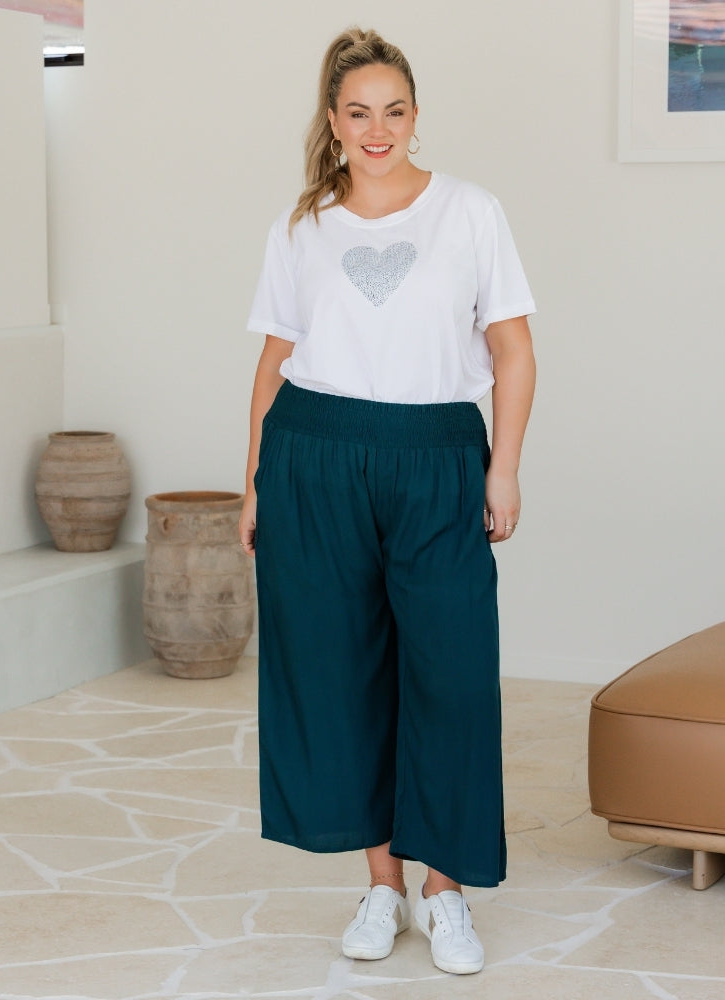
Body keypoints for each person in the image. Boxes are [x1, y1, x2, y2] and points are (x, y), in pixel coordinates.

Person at [240, 27, 536, 977]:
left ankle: (446, 895)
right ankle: (382, 885)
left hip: (436, 453)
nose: (378, 129)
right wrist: (254, 483)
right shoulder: (301, 228)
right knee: (343, 674)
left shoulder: (470, 212)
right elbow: (274, 363)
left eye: (395, 111)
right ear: (332, 123)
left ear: (416, 118)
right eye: (358, 112)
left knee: (447, 672)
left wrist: (504, 467)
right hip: (314, 456)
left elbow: (515, 350)